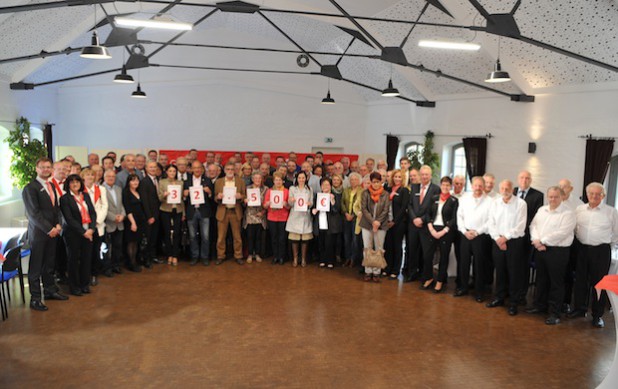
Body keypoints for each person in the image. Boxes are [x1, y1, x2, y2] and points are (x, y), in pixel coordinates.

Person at [569, 183, 618, 328]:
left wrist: (608, 243)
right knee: (580, 281)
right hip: (582, 249)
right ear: (587, 194)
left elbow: (616, 233)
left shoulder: (611, 212)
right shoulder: (579, 209)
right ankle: (579, 309)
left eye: (598, 194)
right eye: (591, 193)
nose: (594, 196)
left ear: (602, 196)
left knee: (599, 284)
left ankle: (597, 315)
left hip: (601, 251)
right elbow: (575, 228)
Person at [22, 158, 68, 311]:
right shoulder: (30, 188)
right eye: (43, 167)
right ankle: (35, 298)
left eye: (49, 167)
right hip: (40, 233)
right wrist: (49, 229)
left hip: (53, 232)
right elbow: (33, 214)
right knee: (36, 266)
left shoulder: (51, 185)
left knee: (49, 264)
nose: (46, 170)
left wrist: (58, 224)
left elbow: (56, 209)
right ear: (37, 168)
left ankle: (50, 291)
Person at [526, 186, 576, 325]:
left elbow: (562, 233)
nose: (553, 199)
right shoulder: (542, 210)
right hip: (540, 249)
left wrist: (542, 241)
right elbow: (533, 226)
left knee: (556, 283)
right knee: (541, 279)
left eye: (556, 197)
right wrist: (536, 241)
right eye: (551, 196)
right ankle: (540, 306)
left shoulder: (568, 213)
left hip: (558, 251)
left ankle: (555, 313)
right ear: (547, 197)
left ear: (562, 197)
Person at [486, 180, 527, 315]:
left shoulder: (521, 204)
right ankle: (499, 298)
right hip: (497, 241)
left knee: (514, 273)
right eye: (502, 188)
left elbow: (520, 226)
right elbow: (490, 223)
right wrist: (498, 238)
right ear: (499, 189)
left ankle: (513, 303)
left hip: (514, 243)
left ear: (512, 189)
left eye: (507, 188)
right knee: (500, 271)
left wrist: (505, 238)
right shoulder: (495, 203)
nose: (505, 190)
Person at [455, 176, 492, 302]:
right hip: (465, 235)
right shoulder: (464, 199)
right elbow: (459, 216)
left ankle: (479, 292)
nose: (478, 188)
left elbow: (490, 221)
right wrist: (464, 231)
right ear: (472, 186)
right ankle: (463, 288)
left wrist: (477, 232)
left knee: (479, 265)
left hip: (480, 236)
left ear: (484, 186)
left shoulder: (490, 201)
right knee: (464, 263)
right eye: (475, 185)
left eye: (480, 186)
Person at [60, 174, 97, 296]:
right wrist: (83, 232)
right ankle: (74, 287)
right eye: (72, 182)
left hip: (88, 232)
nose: (75, 184)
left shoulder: (85, 195)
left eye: (77, 182)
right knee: (73, 260)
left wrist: (91, 229)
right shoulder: (65, 199)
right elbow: (69, 219)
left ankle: (84, 284)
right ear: (68, 185)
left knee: (87, 259)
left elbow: (92, 213)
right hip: (73, 234)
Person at [421, 176, 458, 293]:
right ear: (441, 185)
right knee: (427, 256)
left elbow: (454, 218)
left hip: (446, 231)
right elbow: (427, 214)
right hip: (432, 229)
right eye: (443, 185)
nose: (445, 187)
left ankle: (440, 281)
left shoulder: (453, 200)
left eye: (448, 185)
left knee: (444, 257)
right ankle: (429, 277)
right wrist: (431, 228)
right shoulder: (434, 198)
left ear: (450, 186)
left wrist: (444, 231)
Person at [513, 170, 544, 305]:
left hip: (526, 236)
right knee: (511, 264)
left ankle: (521, 294)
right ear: (518, 179)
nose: (524, 180)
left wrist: (521, 227)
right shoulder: (511, 191)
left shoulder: (537, 195)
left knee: (523, 267)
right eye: (522, 177)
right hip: (510, 236)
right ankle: (511, 291)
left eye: (527, 178)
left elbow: (535, 218)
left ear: (530, 180)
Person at [405, 165, 440, 282]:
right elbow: (409, 205)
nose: (424, 176)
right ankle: (412, 273)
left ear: (430, 175)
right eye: (422, 174)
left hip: (426, 225)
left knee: (426, 253)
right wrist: (414, 218)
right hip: (413, 225)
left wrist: (422, 219)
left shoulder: (436, 189)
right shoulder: (414, 187)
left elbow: (434, 209)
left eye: (427, 174)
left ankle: (425, 276)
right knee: (412, 250)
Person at [359, 172, 390, 282]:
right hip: (367, 224)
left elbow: (386, 210)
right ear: (371, 182)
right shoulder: (365, 193)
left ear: (381, 182)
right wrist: (373, 222)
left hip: (381, 225)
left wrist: (378, 222)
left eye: (378, 182)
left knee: (379, 249)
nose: (376, 184)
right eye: (373, 182)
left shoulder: (385, 194)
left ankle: (376, 272)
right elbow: (364, 209)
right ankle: (368, 271)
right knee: (367, 248)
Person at [214, 162, 246, 265]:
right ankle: (220, 255)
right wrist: (218, 197)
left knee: (237, 237)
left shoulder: (240, 182)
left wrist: (240, 196)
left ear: (235, 170)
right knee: (221, 237)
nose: (230, 171)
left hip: (235, 212)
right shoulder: (218, 182)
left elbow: (245, 196)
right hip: (223, 211)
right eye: (228, 169)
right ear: (224, 170)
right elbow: (214, 197)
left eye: (232, 169)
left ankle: (238, 255)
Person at [184, 161, 214, 266]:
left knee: (205, 236)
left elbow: (212, 197)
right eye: (195, 168)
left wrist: (209, 192)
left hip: (204, 212)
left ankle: (204, 257)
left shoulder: (207, 180)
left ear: (202, 169)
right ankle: (194, 256)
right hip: (191, 212)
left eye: (199, 168)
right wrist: (184, 195)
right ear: (191, 169)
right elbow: (183, 199)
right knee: (192, 237)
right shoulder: (186, 181)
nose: (197, 170)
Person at [81, 168, 108, 284]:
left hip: (98, 225)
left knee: (96, 251)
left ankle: (94, 274)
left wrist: (97, 221)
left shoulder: (101, 189)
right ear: (83, 177)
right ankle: (84, 275)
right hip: (84, 226)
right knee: (85, 252)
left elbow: (105, 206)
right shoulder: (80, 190)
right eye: (87, 175)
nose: (90, 177)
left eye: (92, 175)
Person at [384, 170, 409, 280]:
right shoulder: (388, 189)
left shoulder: (404, 191)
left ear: (402, 178)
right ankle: (387, 268)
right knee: (388, 246)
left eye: (399, 177)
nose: (397, 179)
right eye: (395, 176)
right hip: (387, 222)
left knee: (397, 246)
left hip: (398, 223)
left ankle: (395, 270)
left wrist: (394, 221)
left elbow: (404, 208)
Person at [158, 164, 185, 266]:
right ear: (166, 172)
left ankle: (175, 255)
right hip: (165, 209)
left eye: (174, 171)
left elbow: (182, 199)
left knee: (177, 233)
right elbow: (159, 198)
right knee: (167, 233)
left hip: (178, 210)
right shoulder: (162, 182)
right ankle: (169, 254)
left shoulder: (180, 183)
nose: (172, 173)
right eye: (170, 171)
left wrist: (184, 212)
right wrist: (164, 195)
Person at [312, 177, 342, 269]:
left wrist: (332, 201)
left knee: (330, 243)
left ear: (330, 186)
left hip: (330, 224)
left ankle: (330, 261)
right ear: (321, 186)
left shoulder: (335, 196)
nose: (326, 186)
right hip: (320, 222)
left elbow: (337, 210)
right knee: (321, 242)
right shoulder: (317, 196)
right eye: (323, 185)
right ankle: (322, 260)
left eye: (327, 185)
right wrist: (313, 211)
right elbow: (312, 209)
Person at [286, 171, 313, 267]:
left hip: (305, 216)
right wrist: (291, 201)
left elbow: (311, 202)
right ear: (296, 179)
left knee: (305, 239)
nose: (301, 180)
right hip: (295, 216)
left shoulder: (309, 189)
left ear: (306, 179)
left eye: (303, 178)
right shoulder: (292, 189)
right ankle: (295, 258)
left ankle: (303, 259)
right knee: (294, 239)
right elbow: (290, 203)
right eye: (299, 178)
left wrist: (310, 204)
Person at [102, 169, 125, 275]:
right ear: (104, 177)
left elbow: (121, 205)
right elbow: (102, 207)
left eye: (113, 176)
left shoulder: (118, 189)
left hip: (119, 223)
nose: (111, 178)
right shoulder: (100, 189)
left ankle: (116, 265)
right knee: (106, 248)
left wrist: (122, 215)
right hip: (108, 223)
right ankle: (107, 268)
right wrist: (113, 217)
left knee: (118, 246)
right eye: (108, 176)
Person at [264, 172, 290, 265]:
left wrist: (286, 204)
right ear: (273, 181)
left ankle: (282, 256)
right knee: (274, 238)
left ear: (283, 181)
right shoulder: (269, 191)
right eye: (276, 180)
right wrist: (266, 204)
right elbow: (265, 205)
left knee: (282, 238)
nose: (278, 182)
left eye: (280, 180)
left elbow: (289, 206)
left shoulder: (286, 191)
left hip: (283, 217)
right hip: (272, 217)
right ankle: (275, 256)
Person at [123, 174, 147, 272]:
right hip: (131, 220)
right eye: (133, 180)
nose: (135, 182)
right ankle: (131, 263)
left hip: (140, 220)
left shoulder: (138, 191)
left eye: (137, 180)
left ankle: (135, 261)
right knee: (131, 242)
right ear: (128, 182)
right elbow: (128, 209)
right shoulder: (126, 192)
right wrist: (133, 223)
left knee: (136, 241)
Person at [244, 172, 267, 263]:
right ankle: (250, 254)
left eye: (259, 178)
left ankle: (257, 254)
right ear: (252, 179)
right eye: (255, 178)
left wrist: (263, 212)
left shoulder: (265, 189)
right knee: (250, 236)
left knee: (258, 237)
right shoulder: (247, 188)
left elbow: (268, 202)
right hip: (250, 215)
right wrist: (245, 201)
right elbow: (242, 202)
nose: (257, 180)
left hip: (260, 216)